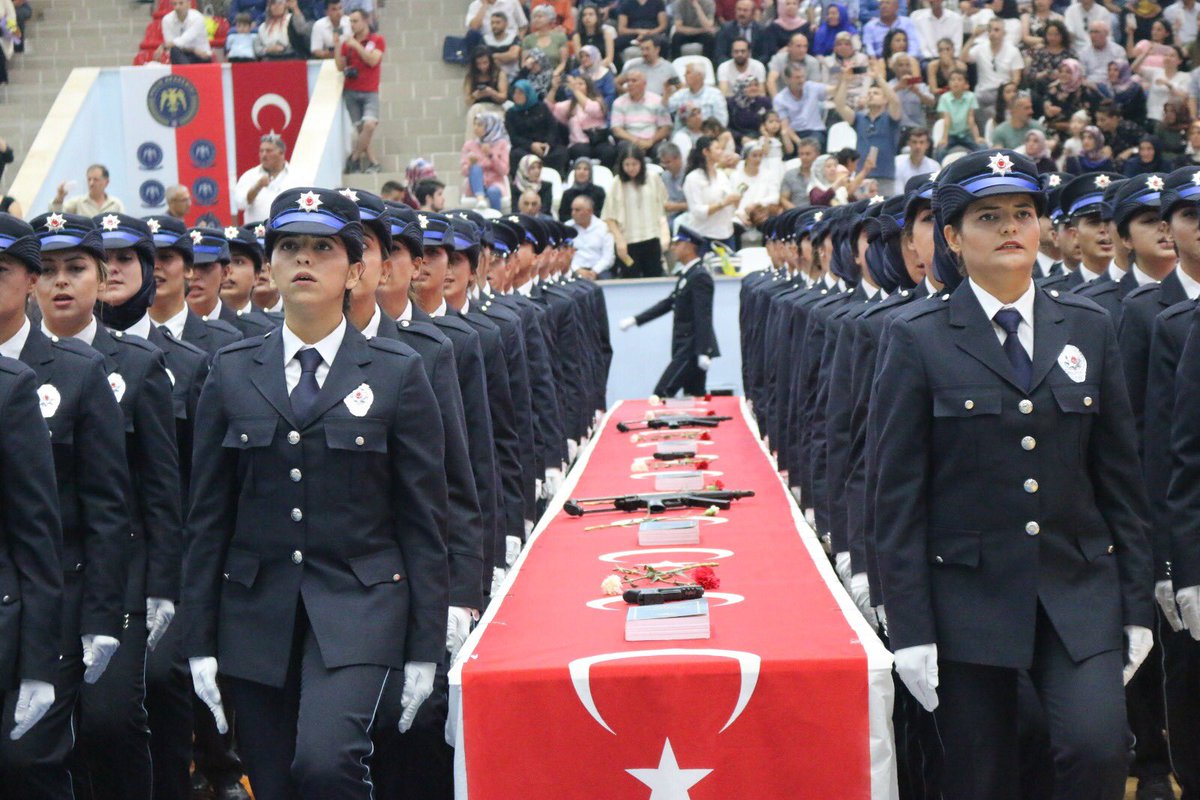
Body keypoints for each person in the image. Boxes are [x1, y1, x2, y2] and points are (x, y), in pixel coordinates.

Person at [873, 149, 1154, 800]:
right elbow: (898, 497)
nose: (1010, 228)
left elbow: (1120, 481)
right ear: (951, 237)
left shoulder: (1088, 326)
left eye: (1023, 214)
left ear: (1042, 228)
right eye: (988, 215)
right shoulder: (917, 337)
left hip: (1076, 592)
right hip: (967, 600)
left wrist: (1136, 605)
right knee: (982, 776)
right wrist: (911, 631)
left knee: (1098, 748)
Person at [182, 187, 448, 799]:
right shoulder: (230, 369)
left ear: (356, 269)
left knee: (326, 765)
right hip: (254, 612)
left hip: (360, 607)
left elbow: (421, 521)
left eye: (323, 248)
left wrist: (424, 648)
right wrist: (199, 640)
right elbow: (207, 517)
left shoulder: (396, 371)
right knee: (274, 784)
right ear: (269, 265)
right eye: (290, 246)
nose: (304, 259)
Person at [2, 213, 128, 798]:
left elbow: (107, 508)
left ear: (25, 280)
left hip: (58, 592)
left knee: (31, 762)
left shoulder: (78, 372)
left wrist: (101, 619)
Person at [619, 225, 719, 395]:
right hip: (685, 346)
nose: (673, 248)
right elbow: (669, 303)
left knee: (662, 393)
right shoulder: (688, 274)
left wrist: (703, 351)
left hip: (692, 348)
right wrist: (636, 320)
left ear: (688, 246)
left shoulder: (700, 276)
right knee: (694, 396)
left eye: (677, 243)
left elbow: (703, 315)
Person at [834, 63, 901, 196]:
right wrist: (845, 81)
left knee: (885, 213)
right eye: (869, 93)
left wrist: (878, 78)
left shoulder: (891, 118)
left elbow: (896, 102)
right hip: (862, 177)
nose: (871, 95)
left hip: (885, 176)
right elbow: (840, 106)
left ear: (884, 100)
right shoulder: (859, 118)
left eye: (875, 93)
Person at [604, 144, 669, 277]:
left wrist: (664, 232)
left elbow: (662, 206)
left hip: (651, 238)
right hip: (628, 243)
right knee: (629, 279)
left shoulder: (653, 178)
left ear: (641, 163)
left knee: (654, 278)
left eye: (634, 164)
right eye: (627, 164)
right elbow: (609, 217)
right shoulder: (617, 183)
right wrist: (619, 240)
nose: (631, 168)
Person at [336, 9, 384, 174]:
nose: (353, 25)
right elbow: (340, 66)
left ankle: (354, 158)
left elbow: (372, 60)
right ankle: (373, 162)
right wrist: (337, 44)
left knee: (369, 125)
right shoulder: (346, 43)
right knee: (361, 130)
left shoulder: (377, 40)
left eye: (355, 21)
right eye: (351, 22)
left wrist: (356, 45)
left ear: (365, 21)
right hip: (351, 90)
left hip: (370, 90)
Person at [548, 73, 616, 167]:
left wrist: (575, 90)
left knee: (609, 152)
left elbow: (592, 109)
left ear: (588, 86)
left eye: (581, 84)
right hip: (579, 143)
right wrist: (554, 89)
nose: (577, 87)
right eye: (575, 84)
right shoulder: (569, 105)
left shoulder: (598, 101)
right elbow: (549, 109)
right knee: (581, 150)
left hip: (599, 141)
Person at [683, 134, 740, 244]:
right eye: (717, 149)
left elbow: (731, 204)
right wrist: (723, 203)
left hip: (726, 232)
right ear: (706, 152)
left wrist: (736, 200)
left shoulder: (721, 175)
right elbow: (697, 211)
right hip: (704, 235)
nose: (721, 152)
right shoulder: (693, 178)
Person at [506, 79, 569, 178]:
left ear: (528, 94)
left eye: (520, 93)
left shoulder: (542, 107)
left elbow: (552, 128)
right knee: (516, 155)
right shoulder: (511, 113)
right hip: (525, 147)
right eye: (514, 93)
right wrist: (531, 145)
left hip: (545, 147)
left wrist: (547, 144)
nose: (516, 96)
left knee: (561, 153)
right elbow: (514, 137)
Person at [610, 70, 673, 158]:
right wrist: (636, 141)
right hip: (630, 140)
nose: (629, 84)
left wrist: (650, 141)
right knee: (624, 148)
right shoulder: (619, 102)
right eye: (628, 81)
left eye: (634, 81)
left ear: (644, 84)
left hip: (653, 141)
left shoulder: (657, 100)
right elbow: (617, 129)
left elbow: (666, 127)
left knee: (662, 150)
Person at [234, 134, 294, 224]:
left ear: (281, 153)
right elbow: (240, 204)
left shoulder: (298, 176)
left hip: (287, 232)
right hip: (257, 233)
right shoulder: (249, 176)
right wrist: (257, 187)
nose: (264, 155)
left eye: (269, 151)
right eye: (261, 151)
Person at [462, 112, 511, 211]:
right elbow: (464, 172)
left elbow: (504, 171)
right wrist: (470, 165)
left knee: (493, 191)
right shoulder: (469, 145)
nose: (475, 128)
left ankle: (496, 219)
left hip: (495, 182)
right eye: (474, 124)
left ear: (490, 126)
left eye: (479, 125)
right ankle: (480, 199)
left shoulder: (501, 144)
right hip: (475, 185)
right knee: (475, 168)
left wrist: (491, 155)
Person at [772, 64, 827, 150]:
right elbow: (785, 126)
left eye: (803, 77)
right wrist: (800, 143)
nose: (801, 80)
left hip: (815, 131)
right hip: (794, 134)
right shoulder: (780, 99)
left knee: (814, 145)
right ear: (787, 79)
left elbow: (833, 90)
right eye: (797, 77)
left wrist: (843, 80)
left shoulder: (812, 87)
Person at [568, 194, 616, 277]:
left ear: (589, 211)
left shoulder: (604, 228)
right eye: (572, 210)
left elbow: (608, 256)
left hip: (600, 271)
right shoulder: (567, 228)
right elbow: (563, 255)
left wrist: (594, 271)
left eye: (577, 210)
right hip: (573, 270)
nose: (573, 213)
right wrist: (576, 270)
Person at [668, 62, 729, 129]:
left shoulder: (715, 95)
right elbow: (666, 109)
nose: (684, 75)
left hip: (707, 133)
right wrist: (666, 93)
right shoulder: (680, 94)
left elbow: (722, 122)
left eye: (688, 73)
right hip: (684, 133)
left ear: (698, 76)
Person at [50, 164, 123, 217]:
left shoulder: (115, 204)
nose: (91, 183)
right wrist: (59, 198)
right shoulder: (78, 203)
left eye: (96, 180)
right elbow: (55, 218)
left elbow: (123, 227)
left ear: (106, 182)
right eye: (89, 179)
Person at [522, 5, 570, 71]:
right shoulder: (527, 39)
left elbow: (563, 63)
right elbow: (524, 64)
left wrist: (554, 75)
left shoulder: (560, 37)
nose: (536, 19)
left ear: (549, 18)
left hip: (556, 74)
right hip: (534, 76)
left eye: (540, 16)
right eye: (534, 17)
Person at [575, 4, 617, 69]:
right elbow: (579, 58)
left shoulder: (606, 34)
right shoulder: (577, 36)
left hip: (603, 67)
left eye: (591, 14)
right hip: (585, 67)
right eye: (584, 15)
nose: (587, 17)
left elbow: (609, 57)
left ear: (597, 17)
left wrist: (596, 68)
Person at [484, 10, 522, 79]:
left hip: (512, 75)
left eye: (498, 23)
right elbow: (484, 59)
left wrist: (494, 55)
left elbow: (513, 56)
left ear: (506, 24)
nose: (494, 25)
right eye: (492, 23)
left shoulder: (513, 37)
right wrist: (506, 56)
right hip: (492, 76)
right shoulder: (485, 39)